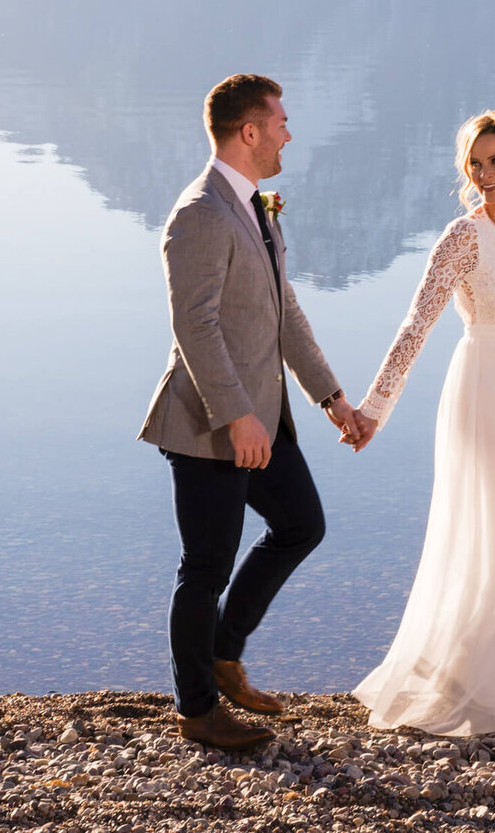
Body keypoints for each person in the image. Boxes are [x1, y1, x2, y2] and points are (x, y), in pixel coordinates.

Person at [138, 73, 366, 750]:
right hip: (211, 425)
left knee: (301, 523)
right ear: (249, 132)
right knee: (205, 567)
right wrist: (237, 416)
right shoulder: (201, 213)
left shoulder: (255, 206)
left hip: (262, 417)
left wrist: (331, 399)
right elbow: (195, 326)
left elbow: (283, 311)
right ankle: (197, 709)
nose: (290, 132)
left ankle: (225, 653)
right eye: (281, 121)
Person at [346, 109, 495, 736]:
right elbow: (416, 326)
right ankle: (480, 691)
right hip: (485, 394)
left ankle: (493, 672)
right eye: (475, 163)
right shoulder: (462, 239)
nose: (485, 173)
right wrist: (373, 412)